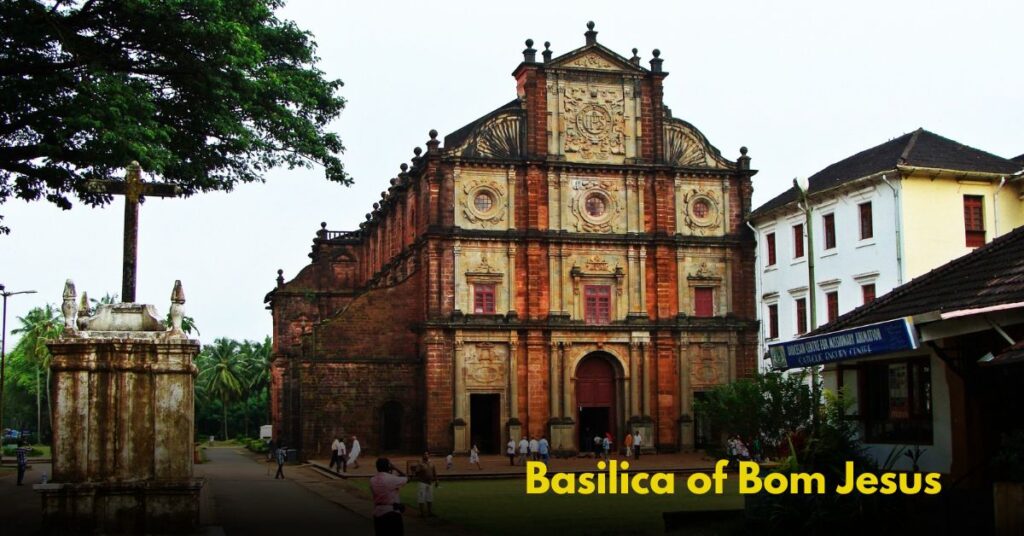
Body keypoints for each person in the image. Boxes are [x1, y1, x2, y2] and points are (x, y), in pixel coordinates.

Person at [370, 457, 407, 536]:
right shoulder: (391, 479)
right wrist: (395, 468)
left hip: (378, 513)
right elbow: (406, 478)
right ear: (388, 466)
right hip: (391, 513)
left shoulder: (372, 480)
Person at [415, 452, 438, 517]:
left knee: (430, 498)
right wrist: (419, 470)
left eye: (427, 454)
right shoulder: (420, 464)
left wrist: (436, 480)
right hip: (422, 483)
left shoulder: (431, 463)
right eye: (424, 454)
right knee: (421, 498)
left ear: (429, 455)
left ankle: (430, 512)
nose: (426, 455)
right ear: (422, 456)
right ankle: (422, 513)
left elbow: (434, 472)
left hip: (430, 483)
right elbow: (416, 473)